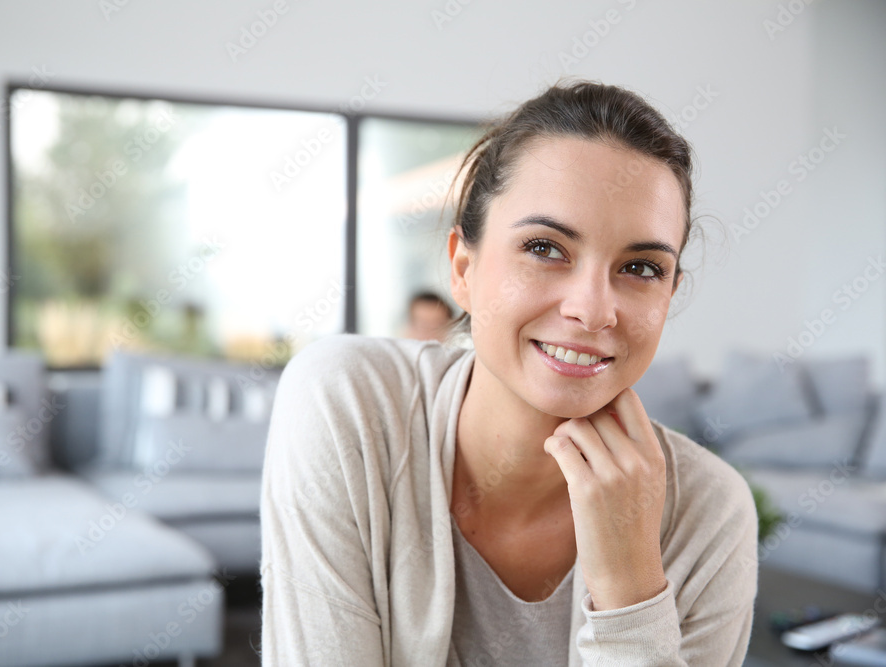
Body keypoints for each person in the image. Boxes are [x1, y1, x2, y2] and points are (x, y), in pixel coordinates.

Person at [259, 79, 757, 666]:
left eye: (641, 267)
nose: (593, 310)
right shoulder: (345, 401)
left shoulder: (711, 514)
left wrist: (629, 589)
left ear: (669, 294)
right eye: (546, 248)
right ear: (463, 269)